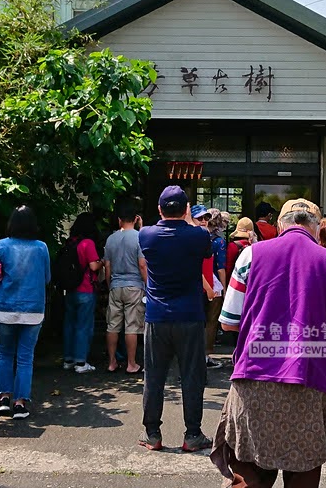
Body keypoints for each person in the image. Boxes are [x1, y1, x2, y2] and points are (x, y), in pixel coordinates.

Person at [212, 198, 326, 487]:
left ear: (280, 224)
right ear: (317, 228)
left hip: (254, 379)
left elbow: (228, 321)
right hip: (310, 383)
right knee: (302, 476)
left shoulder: (250, 255)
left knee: (249, 474)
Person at [138, 186, 213, 453]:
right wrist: (189, 220)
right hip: (190, 315)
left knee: (154, 377)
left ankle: (152, 434)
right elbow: (205, 246)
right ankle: (192, 434)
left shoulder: (147, 235)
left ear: (159, 209)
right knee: (192, 376)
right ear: (185, 210)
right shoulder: (198, 235)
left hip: (157, 315)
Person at [0, 205, 51, 420]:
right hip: (33, 309)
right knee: (25, 358)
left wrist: (1, 277)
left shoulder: (1, 246)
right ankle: (20, 403)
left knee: (5, 354)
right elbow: (47, 277)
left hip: (6, 307)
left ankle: (3, 398)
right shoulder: (41, 248)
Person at [104, 197, 146, 374]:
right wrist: (147, 284)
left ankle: (112, 362)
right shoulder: (139, 238)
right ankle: (131, 363)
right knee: (132, 326)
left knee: (112, 325)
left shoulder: (111, 239)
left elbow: (107, 267)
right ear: (135, 218)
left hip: (115, 284)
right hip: (134, 285)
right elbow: (142, 264)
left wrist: (109, 284)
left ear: (119, 219)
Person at [62, 212, 102, 373]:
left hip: (70, 288)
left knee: (69, 324)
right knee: (83, 326)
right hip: (86, 288)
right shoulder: (88, 243)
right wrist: (101, 263)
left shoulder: (70, 242)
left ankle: (68, 359)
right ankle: (81, 362)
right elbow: (93, 266)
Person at [201, 204, 229, 370]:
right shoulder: (219, 241)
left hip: (198, 281)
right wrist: (225, 289)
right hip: (214, 284)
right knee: (211, 321)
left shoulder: (198, 237)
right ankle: (206, 355)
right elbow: (221, 267)